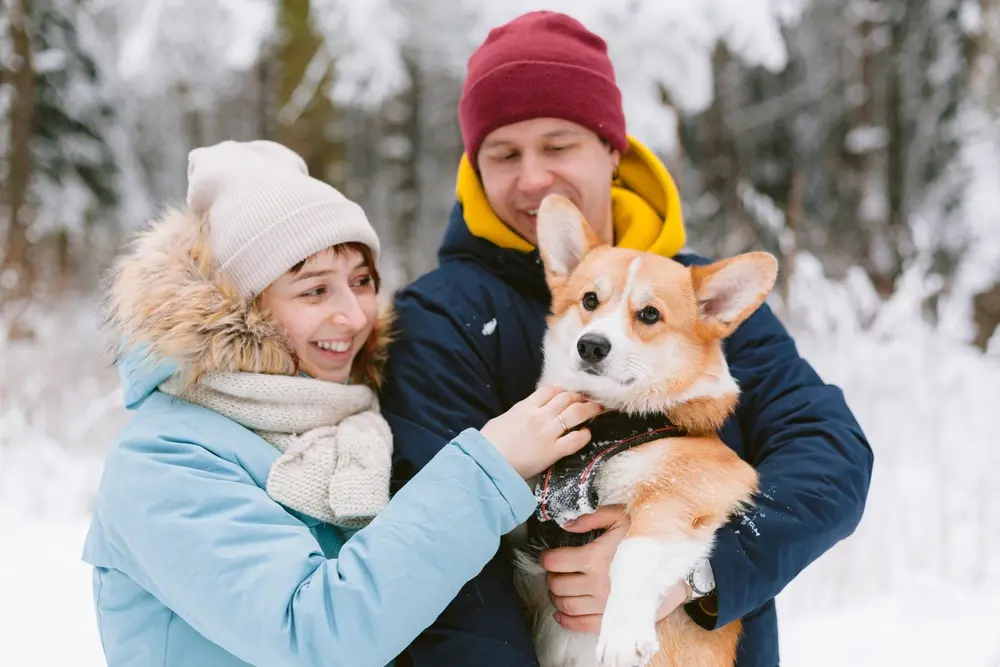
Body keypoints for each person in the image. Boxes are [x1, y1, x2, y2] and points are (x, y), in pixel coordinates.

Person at [380, 11, 874, 667]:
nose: (532, 178)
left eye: (557, 146)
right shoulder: (440, 319)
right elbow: (443, 560)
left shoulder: (697, 302)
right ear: (473, 166)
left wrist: (692, 570)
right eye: (504, 153)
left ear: (612, 149)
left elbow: (830, 454)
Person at [80, 139, 601, 667]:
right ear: (240, 307)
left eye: (361, 282)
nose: (353, 316)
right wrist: (489, 470)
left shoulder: (362, 420)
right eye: (313, 291)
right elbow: (314, 636)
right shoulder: (164, 461)